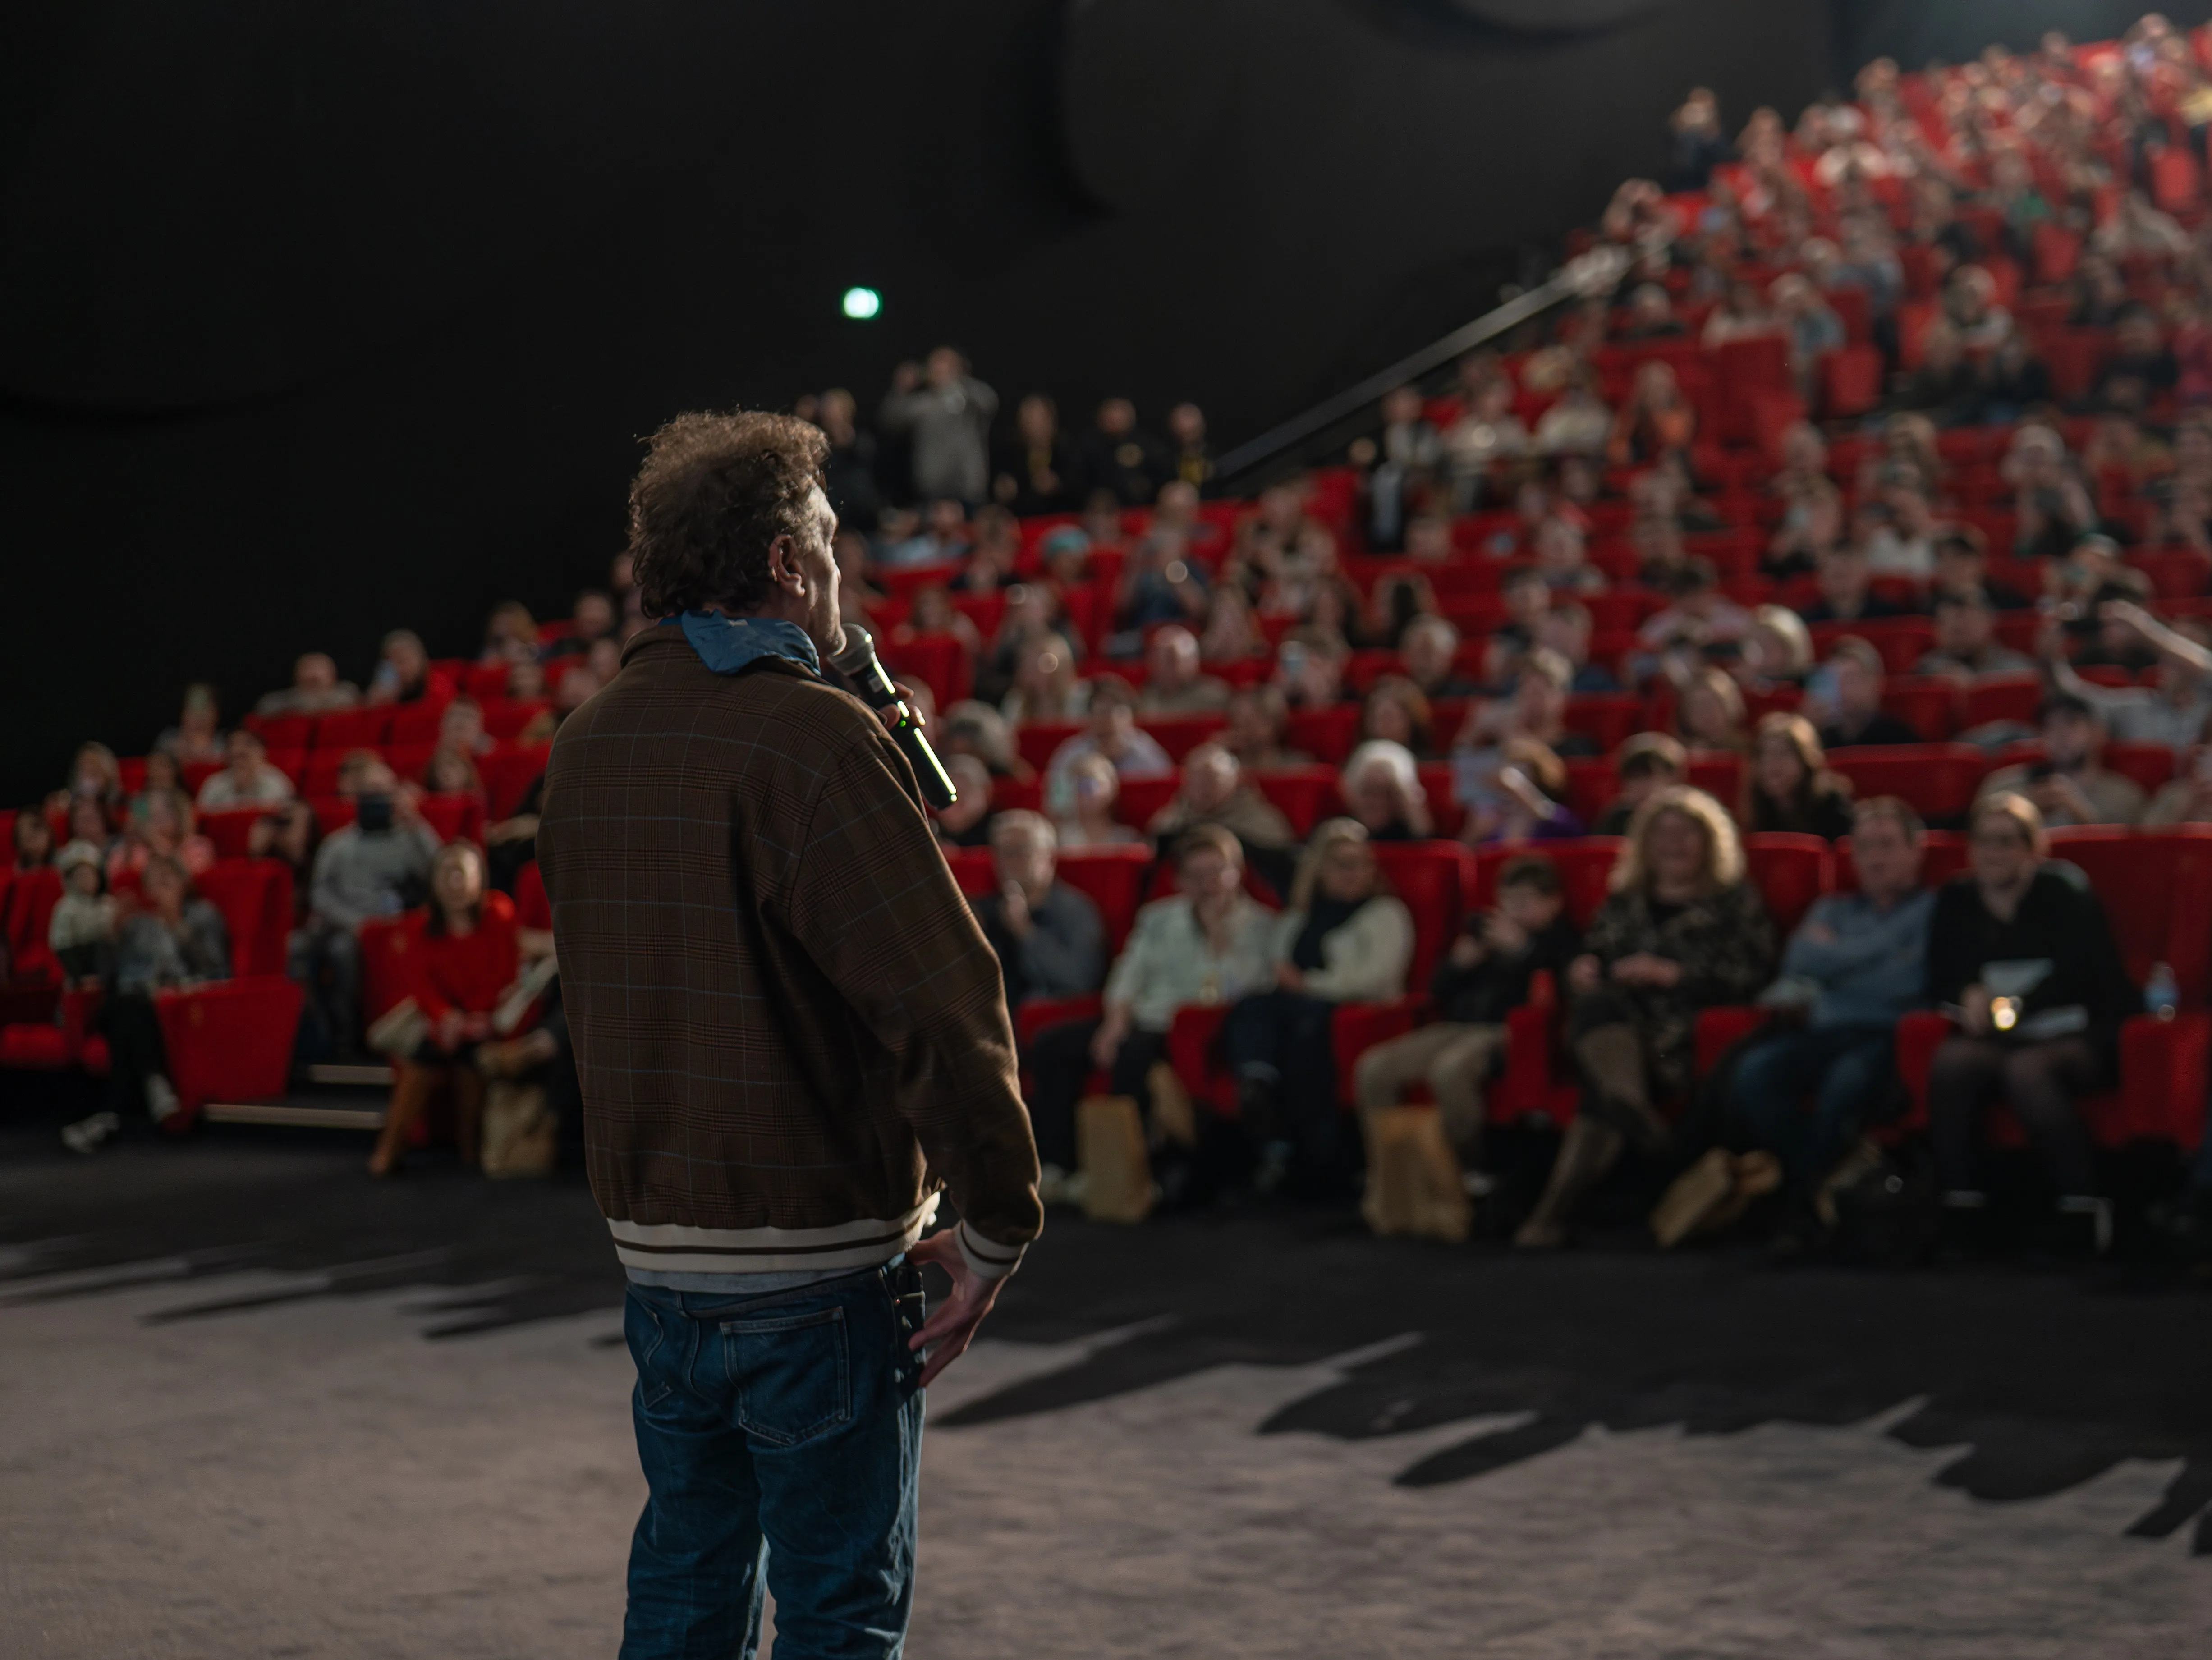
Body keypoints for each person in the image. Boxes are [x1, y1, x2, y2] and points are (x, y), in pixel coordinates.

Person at [533, 410, 1041, 1656]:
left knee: (685, 1587)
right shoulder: (812, 741)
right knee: (833, 1609)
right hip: (813, 1264)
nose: (840, 565)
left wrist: (854, 688)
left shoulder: (585, 742)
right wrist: (993, 1224)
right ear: (780, 561)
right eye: (825, 541)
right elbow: (942, 1000)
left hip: (658, 1265)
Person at [1515, 788, 1774, 1249]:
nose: (1672, 843)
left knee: (1601, 1095)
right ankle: (1641, 1123)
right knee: (1596, 1007)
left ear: (1710, 842)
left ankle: (1551, 1213)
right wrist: (1583, 969)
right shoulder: (1624, 899)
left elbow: (1754, 972)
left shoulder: (1734, 901)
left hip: (1675, 1036)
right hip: (1613, 1026)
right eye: (1661, 833)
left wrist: (1673, 974)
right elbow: (1592, 952)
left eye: (1685, 833)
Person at [1925, 794, 2137, 1254]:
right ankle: (1963, 1206)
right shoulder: (1957, 898)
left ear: (2033, 849)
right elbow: (1940, 972)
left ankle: (2082, 1205)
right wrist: (1967, 994)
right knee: (1952, 1062)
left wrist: (2015, 1004)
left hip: (2079, 1028)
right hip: (2003, 1032)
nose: (1993, 852)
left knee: (2027, 1071)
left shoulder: (2063, 890)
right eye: (1983, 841)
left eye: (2006, 841)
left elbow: (2085, 971)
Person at [1024, 824, 1276, 1199]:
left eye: (1217, 872)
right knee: (1051, 1045)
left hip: (1195, 1025)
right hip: (1141, 1016)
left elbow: (1249, 991)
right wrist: (1113, 1024)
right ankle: (1059, 1164)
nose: (1208, 884)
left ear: (1236, 873)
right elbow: (1129, 973)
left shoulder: (1260, 925)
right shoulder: (1160, 918)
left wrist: (1219, 943)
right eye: (1197, 875)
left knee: (1135, 1052)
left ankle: (1130, 1169)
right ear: (1181, 880)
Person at [1720, 798, 1934, 1232]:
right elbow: (1798, 960)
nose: (1876, 858)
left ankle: (1799, 1204)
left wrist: (1834, 963)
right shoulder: (1832, 908)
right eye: (1866, 848)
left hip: (1884, 1033)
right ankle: (1820, 1189)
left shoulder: (1932, 908)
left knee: (1845, 1086)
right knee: (1753, 1074)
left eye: (1888, 846)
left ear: (1915, 852)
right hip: (1823, 1030)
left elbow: (1907, 981)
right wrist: (1882, 953)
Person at [1352, 854, 1581, 1179]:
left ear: (1554, 903)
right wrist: (1459, 965)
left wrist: (1523, 950)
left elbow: (1560, 989)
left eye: (1526, 903)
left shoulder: (1561, 940)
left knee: (1450, 1071)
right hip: (1457, 1026)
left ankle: (1468, 1171)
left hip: (1505, 1033)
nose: (1514, 912)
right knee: (1373, 1069)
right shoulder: (1484, 934)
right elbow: (1436, 992)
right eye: (1508, 902)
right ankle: (1392, 1173)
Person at [1225, 820, 1414, 1194]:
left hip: (1350, 1006)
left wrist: (1308, 984)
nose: (1352, 873)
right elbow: (1275, 966)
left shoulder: (1385, 913)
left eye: (1360, 864)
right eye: (1341, 864)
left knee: (1306, 1026)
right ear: (1319, 870)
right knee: (1250, 1008)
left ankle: (1313, 1157)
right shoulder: (1298, 917)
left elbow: (1374, 979)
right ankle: (1258, 1086)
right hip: (1295, 1002)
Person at [61, 854, 230, 1155]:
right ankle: (155, 1082)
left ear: (185, 884)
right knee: (125, 1006)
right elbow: (106, 976)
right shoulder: (136, 921)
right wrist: (112, 933)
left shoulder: (202, 914)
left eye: (167, 880)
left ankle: (109, 1116)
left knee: (129, 1015)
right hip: (129, 1001)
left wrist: (176, 923)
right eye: (152, 882)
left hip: (176, 1002)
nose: (159, 888)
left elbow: (217, 970)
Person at [368, 842, 521, 1176]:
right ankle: (388, 1151)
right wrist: (446, 1018)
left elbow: (504, 974)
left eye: (462, 874)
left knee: (471, 1057)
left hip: (488, 1019)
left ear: (479, 878)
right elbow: (420, 985)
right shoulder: (420, 928)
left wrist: (473, 1020)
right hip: (446, 1023)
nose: (455, 883)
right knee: (422, 1057)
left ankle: (469, 1153)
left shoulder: (498, 912)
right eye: (447, 874)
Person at [292, 761, 442, 1059]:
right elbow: (320, 893)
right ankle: (325, 1034)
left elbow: (440, 870)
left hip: (391, 926)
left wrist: (417, 823)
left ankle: (353, 1037)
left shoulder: (408, 839)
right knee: (302, 948)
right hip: (345, 924)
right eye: (369, 793)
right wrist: (351, 922)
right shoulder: (338, 844)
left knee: (343, 952)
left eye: (382, 792)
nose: (376, 799)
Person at [971, 812, 1105, 1008]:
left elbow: (1079, 979)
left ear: (1049, 857)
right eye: (1002, 852)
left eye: (1020, 850)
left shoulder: (1076, 910)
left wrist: (1025, 931)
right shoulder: (987, 909)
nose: (1009, 861)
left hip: (1047, 1018)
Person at [1145, 742, 1297, 896]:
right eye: (1195, 779)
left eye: (1211, 778)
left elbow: (1280, 860)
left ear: (1235, 780)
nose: (1202, 786)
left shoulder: (1259, 817)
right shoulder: (1171, 818)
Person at [1977, 694, 2145, 828]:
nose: (2059, 734)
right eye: (2050, 726)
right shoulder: (2005, 786)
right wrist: (2022, 811)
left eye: (2071, 723)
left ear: (2098, 733)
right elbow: (1980, 834)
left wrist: (2081, 815)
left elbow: (2125, 853)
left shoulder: (2124, 795)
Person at [878, 346, 999, 504]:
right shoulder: (923, 403)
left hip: (969, 489)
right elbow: (890, 421)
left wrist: (962, 379)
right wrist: (901, 388)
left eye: (947, 363)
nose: (941, 368)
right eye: (936, 364)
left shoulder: (969, 396)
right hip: (933, 490)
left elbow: (990, 403)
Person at [1043, 674, 1171, 789]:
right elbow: (1057, 803)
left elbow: (1166, 794)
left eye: (1117, 712)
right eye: (1101, 713)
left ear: (1131, 719)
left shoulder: (1147, 757)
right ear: (1089, 720)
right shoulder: (1071, 756)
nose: (1108, 719)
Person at [1745, 713, 1855, 839]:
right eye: (1763, 754)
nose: (1770, 763)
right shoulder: (1757, 808)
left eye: (1781, 753)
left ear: (1805, 760)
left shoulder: (1832, 806)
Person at [1810, 637, 1920, 748]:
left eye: (1851, 679)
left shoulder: (1901, 739)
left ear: (1875, 683)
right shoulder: (1818, 740)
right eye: (1834, 681)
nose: (1841, 688)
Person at [1915, 592, 2035, 681]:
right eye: (1952, 629)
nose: (1958, 626)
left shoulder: (2019, 671)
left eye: (1967, 625)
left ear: (1989, 622)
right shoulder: (1925, 672)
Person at [47, 839, 116, 988]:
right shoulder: (65, 908)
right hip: (78, 963)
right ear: (69, 881)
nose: (86, 881)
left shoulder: (108, 904)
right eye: (81, 876)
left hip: (107, 964)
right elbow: (62, 945)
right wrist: (79, 975)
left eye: (90, 875)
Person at [1339, 739, 1433, 841]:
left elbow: (1424, 837)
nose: (1375, 802)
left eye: (1387, 793)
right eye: (1368, 791)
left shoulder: (1406, 834)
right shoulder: (1338, 830)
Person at [1593, 734, 1687, 835]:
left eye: (1648, 776)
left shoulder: (1688, 816)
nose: (1641, 785)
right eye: (1634, 777)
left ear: (1673, 778)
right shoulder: (1617, 819)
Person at [1798, 544, 1905, 626]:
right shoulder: (1808, 624)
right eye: (1836, 574)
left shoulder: (1890, 617)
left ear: (1865, 574)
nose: (1843, 581)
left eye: (1849, 573)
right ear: (1821, 580)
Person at [1137, 624, 1231, 714]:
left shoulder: (1215, 697)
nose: (1163, 666)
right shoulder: (1144, 698)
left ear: (1194, 661)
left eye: (1172, 659)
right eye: (1158, 659)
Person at [195, 728, 296, 811]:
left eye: (248, 744)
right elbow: (202, 816)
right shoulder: (214, 783)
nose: (238, 750)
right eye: (232, 745)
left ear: (263, 752)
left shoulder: (276, 781)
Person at [1222, 684, 1308, 770]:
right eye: (1238, 725)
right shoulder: (1228, 768)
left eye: (1250, 724)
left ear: (1274, 723)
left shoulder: (1298, 766)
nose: (1243, 732)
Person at [253, 652, 361, 719]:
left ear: (333, 675)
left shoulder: (347, 693)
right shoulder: (278, 701)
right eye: (309, 668)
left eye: (320, 669)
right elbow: (264, 709)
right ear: (296, 675)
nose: (314, 675)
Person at [155, 683, 225, 764]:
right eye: (192, 712)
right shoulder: (167, 742)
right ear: (183, 714)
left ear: (215, 715)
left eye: (205, 713)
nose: (199, 719)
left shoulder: (222, 745)